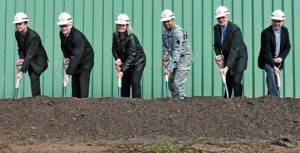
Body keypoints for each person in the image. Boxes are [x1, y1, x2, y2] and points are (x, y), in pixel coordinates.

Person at [213, 6, 248, 98]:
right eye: (219, 18)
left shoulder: (235, 29)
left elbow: (234, 49)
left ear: (228, 17)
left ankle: (239, 101)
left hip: (239, 57)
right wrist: (218, 54)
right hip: (229, 57)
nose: (221, 20)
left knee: (236, 81)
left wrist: (227, 67)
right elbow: (216, 45)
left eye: (223, 17)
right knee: (228, 81)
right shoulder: (216, 28)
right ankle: (226, 102)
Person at [57, 12, 94, 98]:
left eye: (65, 26)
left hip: (86, 61)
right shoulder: (62, 34)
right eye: (61, 26)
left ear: (70, 25)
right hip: (76, 60)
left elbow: (76, 56)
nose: (63, 28)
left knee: (82, 82)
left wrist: (68, 74)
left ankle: (84, 104)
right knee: (75, 85)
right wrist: (67, 57)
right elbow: (64, 46)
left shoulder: (77, 37)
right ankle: (75, 106)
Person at [13, 12, 48, 97]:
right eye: (16, 24)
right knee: (32, 77)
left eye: (20, 24)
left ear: (26, 24)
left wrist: (21, 71)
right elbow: (20, 48)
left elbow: (30, 54)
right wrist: (21, 58)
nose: (18, 26)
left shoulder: (33, 36)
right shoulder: (17, 33)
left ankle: (37, 100)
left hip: (39, 62)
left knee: (34, 78)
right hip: (30, 60)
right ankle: (36, 98)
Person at [160, 9, 193, 100]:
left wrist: (169, 69)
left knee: (178, 82)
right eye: (164, 22)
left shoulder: (178, 33)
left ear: (173, 20)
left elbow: (177, 52)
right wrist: (166, 55)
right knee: (171, 83)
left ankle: (182, 102)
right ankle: (175, 103)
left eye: (168, 21)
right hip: (175, 58)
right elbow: (164, 45)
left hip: (184, 58)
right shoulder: (165, 32)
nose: (166, 24)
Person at [112, 14, 146, 98]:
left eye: (123, 25)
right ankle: (124, 104)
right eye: (119, 25)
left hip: (137, 62)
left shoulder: (132, 38)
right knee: (124, 83)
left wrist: (122, 71)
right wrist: (117, 58)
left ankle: (137, 103)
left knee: (135, 82)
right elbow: (114, 49)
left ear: (127, 26)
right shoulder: (115, 35)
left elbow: (131, 57)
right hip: (126, 61)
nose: (121, 27)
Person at [258, 10, 291, 96]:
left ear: (283, 21)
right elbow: (266, 51)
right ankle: (275, 97)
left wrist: (281, 58)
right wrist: (273, 64)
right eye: (274, 21)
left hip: (278, 60)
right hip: (266, 59)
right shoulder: (266, 33)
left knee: (275, 79)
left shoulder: (285, 31)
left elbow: (287, 46)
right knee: (271, 70)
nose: (276, 23)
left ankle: (270, 99)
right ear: (271, 21)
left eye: (279, 21)